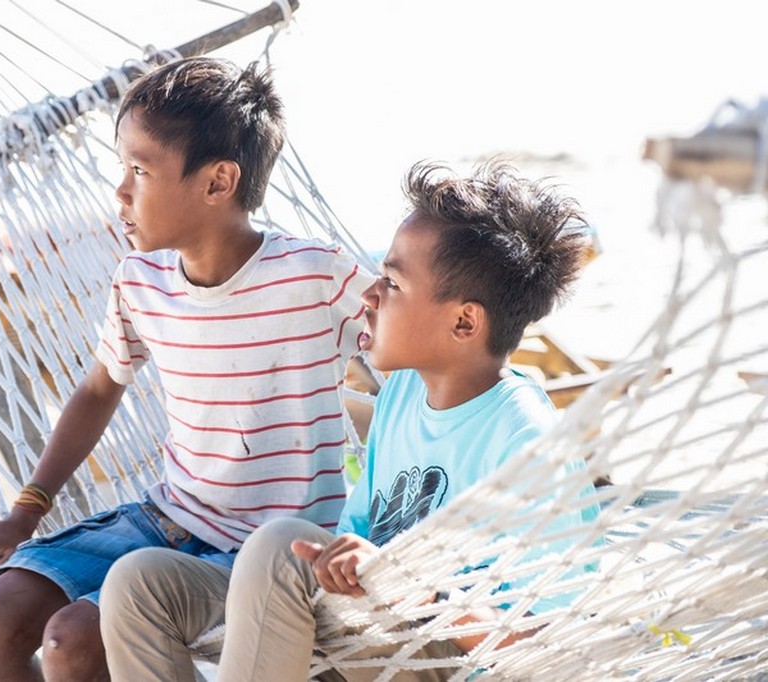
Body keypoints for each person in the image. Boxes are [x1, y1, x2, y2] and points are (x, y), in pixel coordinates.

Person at [99, 160, 600, 681]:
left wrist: (417, 586)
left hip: (447, 658)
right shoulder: (405, 393)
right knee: (142, 583)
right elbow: (353, 540)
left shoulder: (527, 441)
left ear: (464, 322)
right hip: (366, 636)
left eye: (392, 283)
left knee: (278, 547)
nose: (369, 296)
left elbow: (548, 647)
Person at [0, 56, 373, 682]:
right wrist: (26, 510)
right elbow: (99, 389)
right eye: (121, 168)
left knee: (72, 641)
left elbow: (412, 357)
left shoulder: (314, 276)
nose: (121, 192)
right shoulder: (139, 282)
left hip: (276, 549)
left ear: (217, 183)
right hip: (170, 519)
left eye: (141, 171)